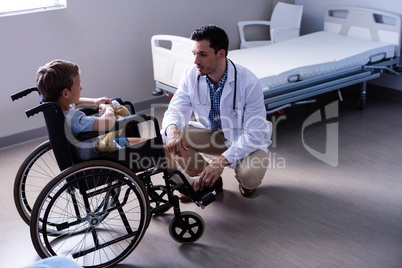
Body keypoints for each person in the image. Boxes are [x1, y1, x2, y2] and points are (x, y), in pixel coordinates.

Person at [162, 25, 272, 198]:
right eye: (195, 54)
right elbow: (176, 107)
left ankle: (241, 179)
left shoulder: (249, 82)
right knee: (173, 137)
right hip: (212, 132)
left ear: (221, 54)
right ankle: (208, 180)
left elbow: (254, 133)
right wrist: (172, 130)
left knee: (249, 177)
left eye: (203, 55)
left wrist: (220, 162)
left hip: (245, 137)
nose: (196, 61)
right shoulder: (191, 75)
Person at [36, 59, 147, 160]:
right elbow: (107, 123)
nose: (81, 87)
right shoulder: (75, 119)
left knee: (138, 141)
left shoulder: (60, 108)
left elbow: (76, 102)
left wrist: (95, 102)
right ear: (65, 93)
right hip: (99, 153)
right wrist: (108, 109)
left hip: (90, 148)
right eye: (78, 84)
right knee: (149, 144)